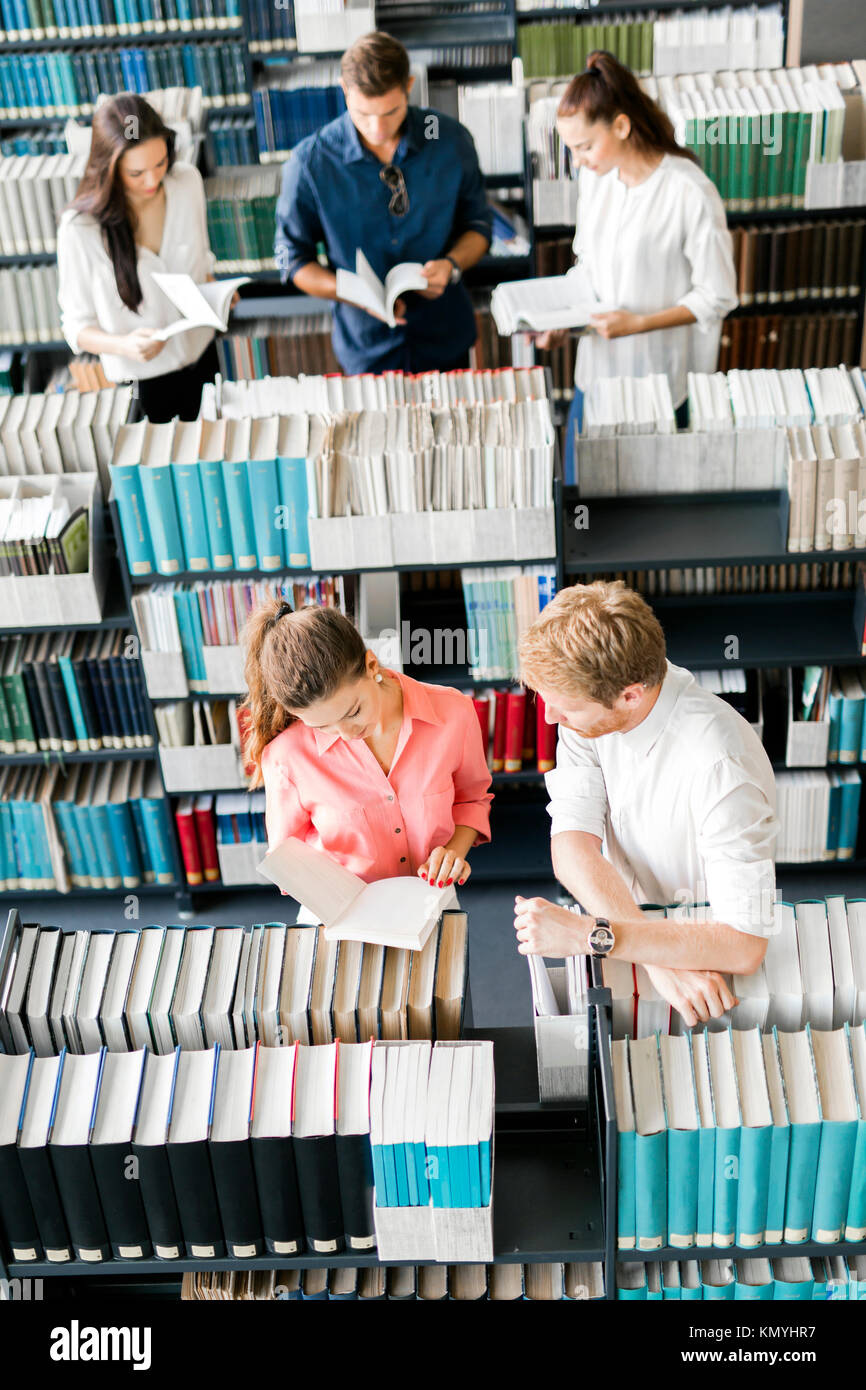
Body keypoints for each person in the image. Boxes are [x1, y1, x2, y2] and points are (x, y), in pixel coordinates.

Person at [513, 581, 778, 1028]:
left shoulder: (721, 766)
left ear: (630, 695)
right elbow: (572, 848)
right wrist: (653, 959)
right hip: (639, 935)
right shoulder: (585, 708)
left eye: (565, 709)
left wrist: (590, 936)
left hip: (707, 952)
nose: (550, 719)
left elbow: (744, 943)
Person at [534, 50, 738, 474]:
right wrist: (563, 319)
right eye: (571, 150)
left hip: (660, 386)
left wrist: (638, 324)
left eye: (585, 146)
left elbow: (717, 297)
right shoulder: (596, 180)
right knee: (587, 505)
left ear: (622, 125)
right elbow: (589, 267)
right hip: (595, 379)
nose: (578, 161)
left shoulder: (689, 191)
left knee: (650, 515)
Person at [242, 600, 493, 919]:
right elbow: (287, 858)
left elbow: (472, 798)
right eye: (322, 726)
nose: (345, 734)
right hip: (338, 913)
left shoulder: (454, 713)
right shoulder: (285, 756)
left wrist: (454, 852)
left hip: (429, 901)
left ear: (372, 665)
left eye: (353, 712)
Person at [274, 30, 492, 375]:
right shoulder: (310, 162)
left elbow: (479, 225)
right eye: (362, 114)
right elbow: (291, 259)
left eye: (391, 112)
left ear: (409, 85)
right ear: (344, 92)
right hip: (365, 345)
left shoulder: (446, 137)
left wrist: (452, 265)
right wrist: (349, 292)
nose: (377, 128)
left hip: (445, 333)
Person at [57, 93, 235, 423]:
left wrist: (217, 294)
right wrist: (125, 345)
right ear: (109, 169)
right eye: (136, 173)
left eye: (159, 163)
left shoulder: (186, 183)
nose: (153, 180)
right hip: (140, 378)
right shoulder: (80, 228)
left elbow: (202, 261)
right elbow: (76, 327)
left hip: (202, 355)